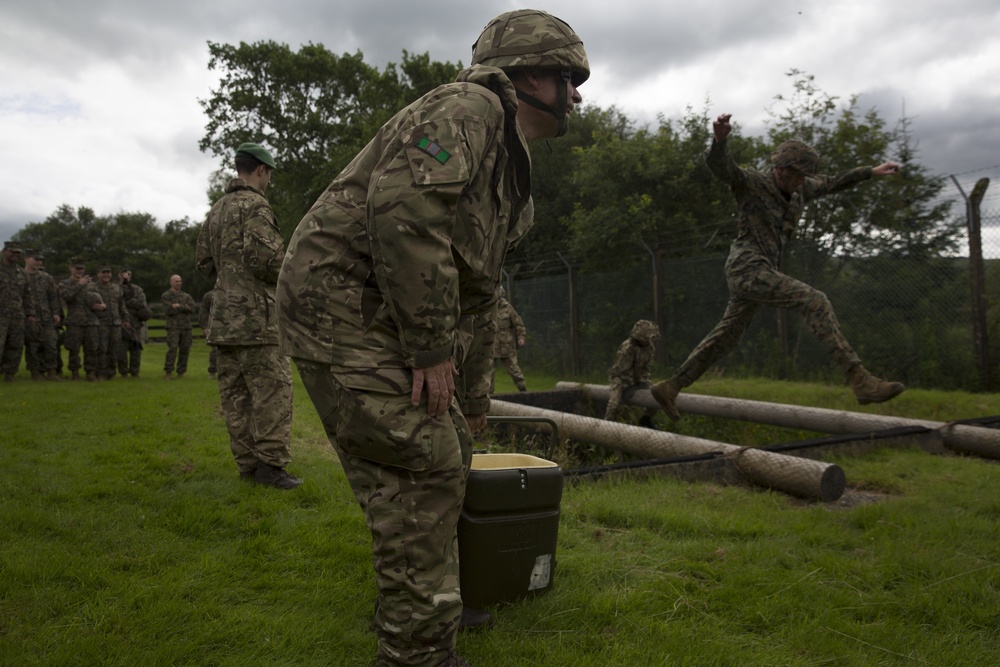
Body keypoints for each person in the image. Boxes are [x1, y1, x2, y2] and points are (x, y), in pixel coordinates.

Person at [276, 10, 589, 667]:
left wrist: (473, 392)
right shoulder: (467, 109)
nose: (578, 94)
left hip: (384, 313)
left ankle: (433, 598)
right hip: (338, 308)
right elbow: (406, 217)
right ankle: (417, 650)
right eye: (569, 77)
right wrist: (429, 350)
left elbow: (479, 287)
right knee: (421, 457)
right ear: (531, 73)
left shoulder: (506, 155)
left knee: (455, 440)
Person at [651, 113, 905, 420]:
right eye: (796, 175)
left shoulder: (800, 190)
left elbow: (830, 183)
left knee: (726, 337)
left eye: (803, 177)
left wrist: (871, 172)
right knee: (814, 299)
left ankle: (671, 386)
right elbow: (724, 169)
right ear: (780, 169)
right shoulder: (753, 183)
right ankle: (860, 380)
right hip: (747, 268)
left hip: (761, 272)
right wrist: (720, 141)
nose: (800, 182)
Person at [196, 142, 300, 490]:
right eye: (269, 173)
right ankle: (270, 468)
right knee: (271, 393)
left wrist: (228, 287)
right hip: (257, 319)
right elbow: (267, 260)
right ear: (261, 170)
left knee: (236, 397)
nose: (269, 180)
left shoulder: (216, 210)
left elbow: (203, 262)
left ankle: (247, 467)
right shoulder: (255, 206)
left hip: (224, 321)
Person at [604, 319, 660, 425]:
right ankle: (606, 426)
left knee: (656, 395)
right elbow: (623, 370)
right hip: (620, 378)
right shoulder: (628, 347)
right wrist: (631, 385)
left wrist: (644, 381)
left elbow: (646, 368)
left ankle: (645, 419)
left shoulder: (650, 348)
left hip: (638, 378)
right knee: (614, 404)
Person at [60, 258, 103, 381]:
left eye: (82, 269)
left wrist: (102, 306)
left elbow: (99, 301)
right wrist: (80, 284)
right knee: (74, 349)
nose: (79, 271)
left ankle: (90, 372)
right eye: (77, 268)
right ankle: (75, 372)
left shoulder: (92, 285)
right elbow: (67, 297)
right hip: (75, 322)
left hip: (91, 322)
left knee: (92, 349)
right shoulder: (65, 284)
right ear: (70, 268)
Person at [23, 249, 62, 380]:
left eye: (41, 260)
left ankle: (51, 372)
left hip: (46, 317)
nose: (39, 262)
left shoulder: (46, 278)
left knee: (51, 344)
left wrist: (56, 313)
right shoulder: (21, 276)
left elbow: (53, 297)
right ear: (27, 259)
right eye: (36, 259)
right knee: (33, 346)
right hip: (29, 318)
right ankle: (36, 372)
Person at [0, 241, 35, 381]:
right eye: (12, 252)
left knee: (15, 345)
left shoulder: (22, 273)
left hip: (17, 316)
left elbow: (27, 296)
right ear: (4, 251)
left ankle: (9, 374)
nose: (15, 255)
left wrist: (31, 314)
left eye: (18, 253)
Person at [492, 289, 528, 392]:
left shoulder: (507, 308)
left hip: (507, 346)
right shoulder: (488, 308)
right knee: (488, 374)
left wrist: (521, 337)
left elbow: (518, 324)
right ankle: (489, 397)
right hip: (492, 347)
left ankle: (523, 390)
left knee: (514, 370)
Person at [94, 265, 126, 380]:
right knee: (102, 349)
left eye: (108, 273)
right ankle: (101, 373)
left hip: (116, 323)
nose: (106, 275)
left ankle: (111, 372)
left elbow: (121, 306)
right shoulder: (93, 288)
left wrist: (126, 319)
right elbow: (89, 304)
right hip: (101, 323)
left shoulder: (116, 288)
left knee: (115, 348)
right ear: (98, 274)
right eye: (103, 272)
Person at [161, 274, 195, 379]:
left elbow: (192, 309)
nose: (179, 283)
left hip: (186, 327)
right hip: (173, 327)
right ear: (171, 282)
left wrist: (178, 306)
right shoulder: (166, 295)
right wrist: (184, 307)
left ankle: (181, 372)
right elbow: (168, 310)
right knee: (172, 349)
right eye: (176, 281)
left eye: (180, 281)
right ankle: (168, 372)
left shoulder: (186, 296)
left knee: (185, 350)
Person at [117, 266, 149, 378]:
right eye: (124, 274)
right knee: (121, 350)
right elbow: (115, 304)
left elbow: (141, 304)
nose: (127, 277)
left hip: (135, 323)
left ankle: (135, 372)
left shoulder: (137, 289)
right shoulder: (115, 289)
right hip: (120, 323)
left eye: (129, 274)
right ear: (119, 275)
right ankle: (123, 372)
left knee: (136, 349)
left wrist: (127, 301)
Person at [198, 289, 218, 379]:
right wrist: (204, 327)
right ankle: (212, 371)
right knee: (215, 349)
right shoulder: (210, 295)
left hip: (232, 327)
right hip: (214, 327)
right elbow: (203, 312)